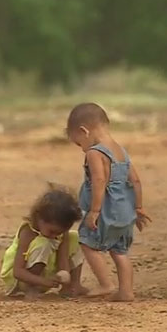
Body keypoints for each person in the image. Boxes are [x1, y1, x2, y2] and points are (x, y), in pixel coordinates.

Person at [66, 102, 151, 301]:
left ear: (84, 131)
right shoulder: (121, 151)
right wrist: (138, 207)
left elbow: (99, 180)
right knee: (119, 251)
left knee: (86, 241)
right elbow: (135, 180)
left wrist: (94, 211)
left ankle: (105, 284)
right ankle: (126, 292)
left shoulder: (94, 153)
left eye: (79, 143)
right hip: (125, 212)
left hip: (106, 211)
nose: (81, 149)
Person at [0, 185, 88, 299]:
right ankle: (31, 288)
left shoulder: (60, 232)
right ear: (39, 217)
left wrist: (63, 275)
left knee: (75, 238)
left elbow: (63, 258)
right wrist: (44, 281)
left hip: (45, 276)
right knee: (44, 243)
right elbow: (18, 272)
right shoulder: (28, 233)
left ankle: (74, 285)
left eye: (60, 232)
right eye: (52, 231)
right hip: (21, 280)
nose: (55, 236)